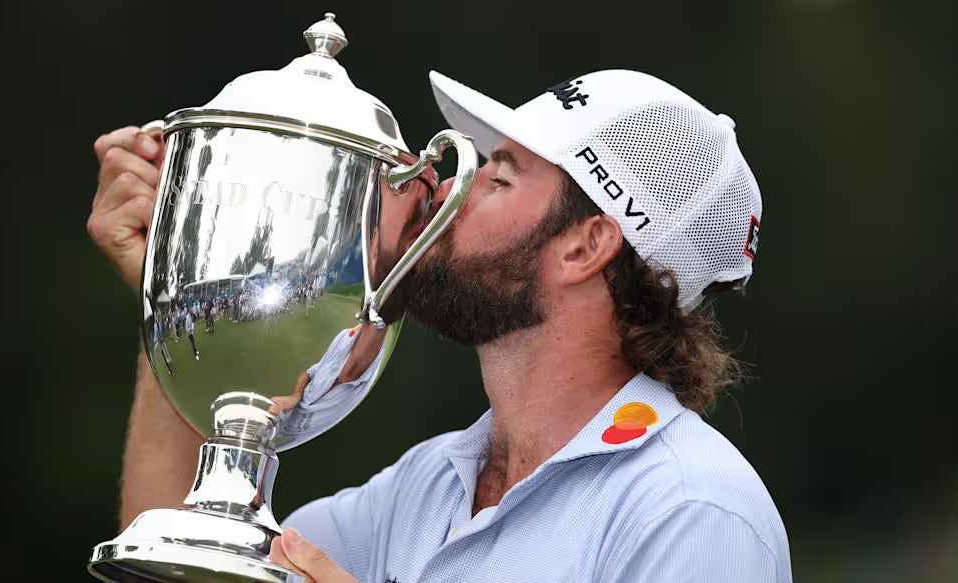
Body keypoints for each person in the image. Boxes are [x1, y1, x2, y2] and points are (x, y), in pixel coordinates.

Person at [89, 68, 790, 582]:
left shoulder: (696, 510)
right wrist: (180, 298)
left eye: (501, 176)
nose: (456, 191)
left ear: (584, 246)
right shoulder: (432, 482)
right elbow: (182, 557)